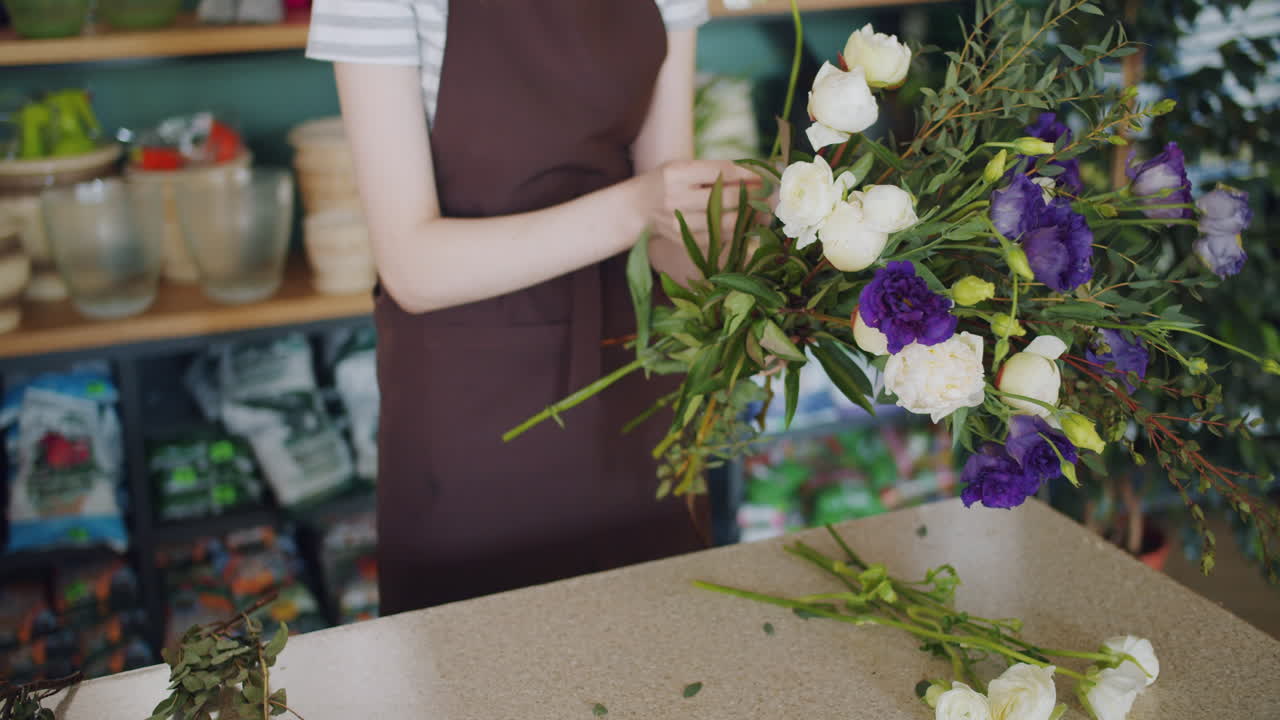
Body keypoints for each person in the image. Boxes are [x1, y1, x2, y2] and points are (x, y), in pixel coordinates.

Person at [305, 0, 758, 614]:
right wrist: (636, 207)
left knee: (657, 650)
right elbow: (411, 266)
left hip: (638, 377)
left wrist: (745, 298)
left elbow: (668, 232)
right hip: (474, 409)